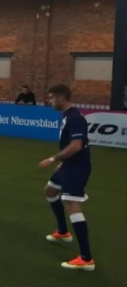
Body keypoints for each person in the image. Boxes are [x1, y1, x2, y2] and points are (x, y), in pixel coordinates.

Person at [39, 84, 95, 271]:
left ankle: (86, 258)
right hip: (69, 165)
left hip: (77, 168)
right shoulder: (68, 115)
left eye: (51, 98)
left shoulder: (74, 118)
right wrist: (63, 162)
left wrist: (52, 159)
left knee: (71, 203)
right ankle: (63, 232)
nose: (49, 101)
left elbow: (76, 145)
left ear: (61, 98)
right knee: (50, 191)